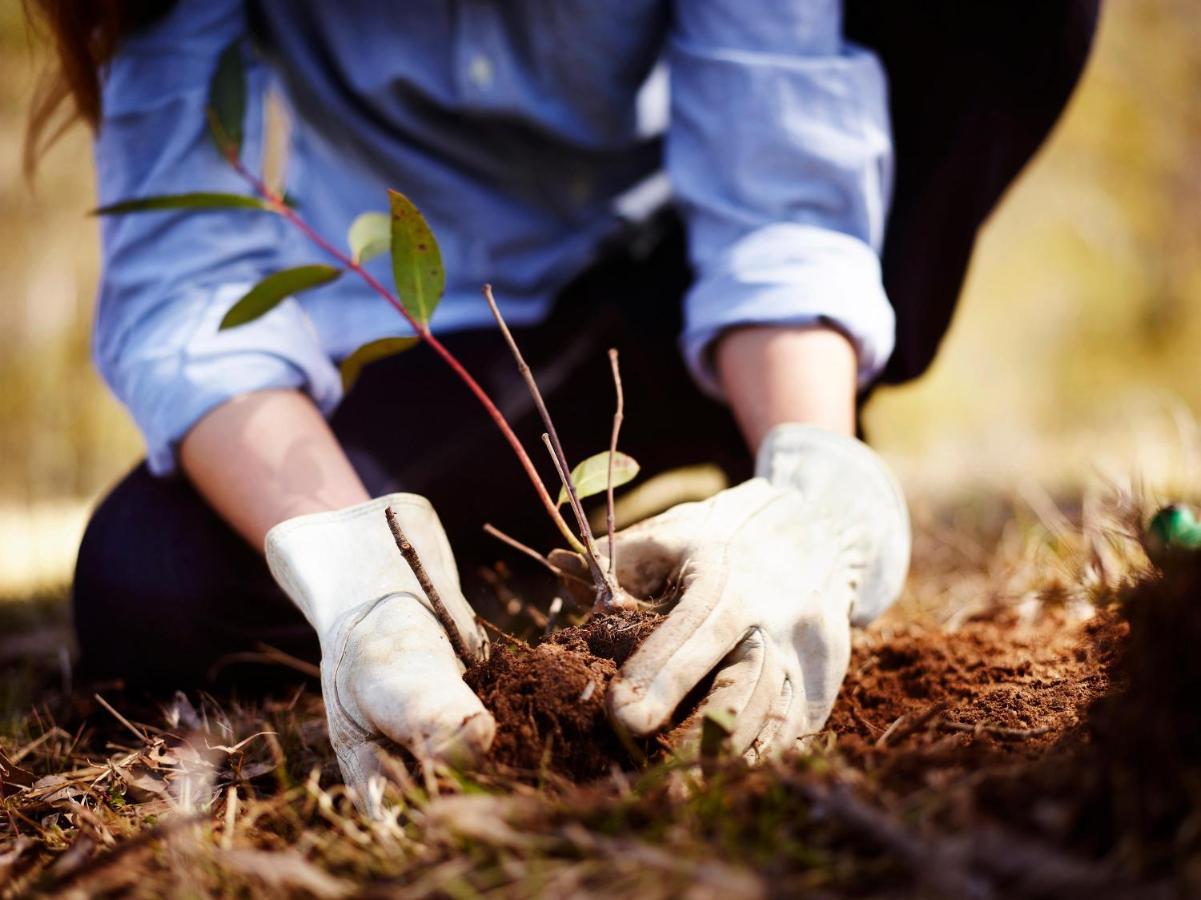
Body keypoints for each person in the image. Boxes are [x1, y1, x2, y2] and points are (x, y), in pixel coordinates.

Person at [27, 1, 1098, 804]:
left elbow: (775, 195)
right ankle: (517, 533)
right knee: (151, 582)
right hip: (470, 346)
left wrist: (811, 484)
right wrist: (355, 569)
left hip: (693, 266)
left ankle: (774, 429)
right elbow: (189, 284)